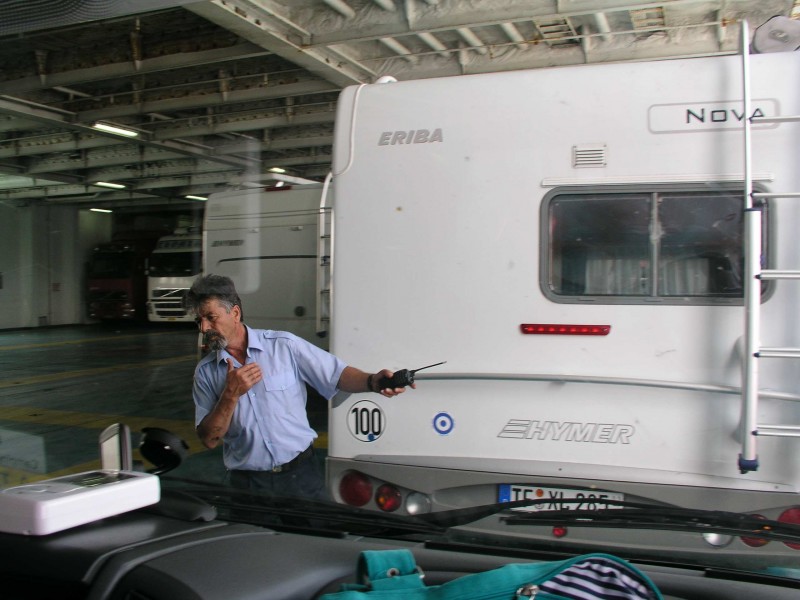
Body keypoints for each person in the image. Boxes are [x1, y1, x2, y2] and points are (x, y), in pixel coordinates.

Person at [184, 274, 412, 499]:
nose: (204, 328)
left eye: (211, 317)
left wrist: (373, 381)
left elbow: (336, 374)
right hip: (248, 485)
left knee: (315, 526)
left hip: (301, 477)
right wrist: (230, 395)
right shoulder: (205, 373)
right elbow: (209, 438)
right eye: (199, 321)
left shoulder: (283, 346)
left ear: (235, 313)